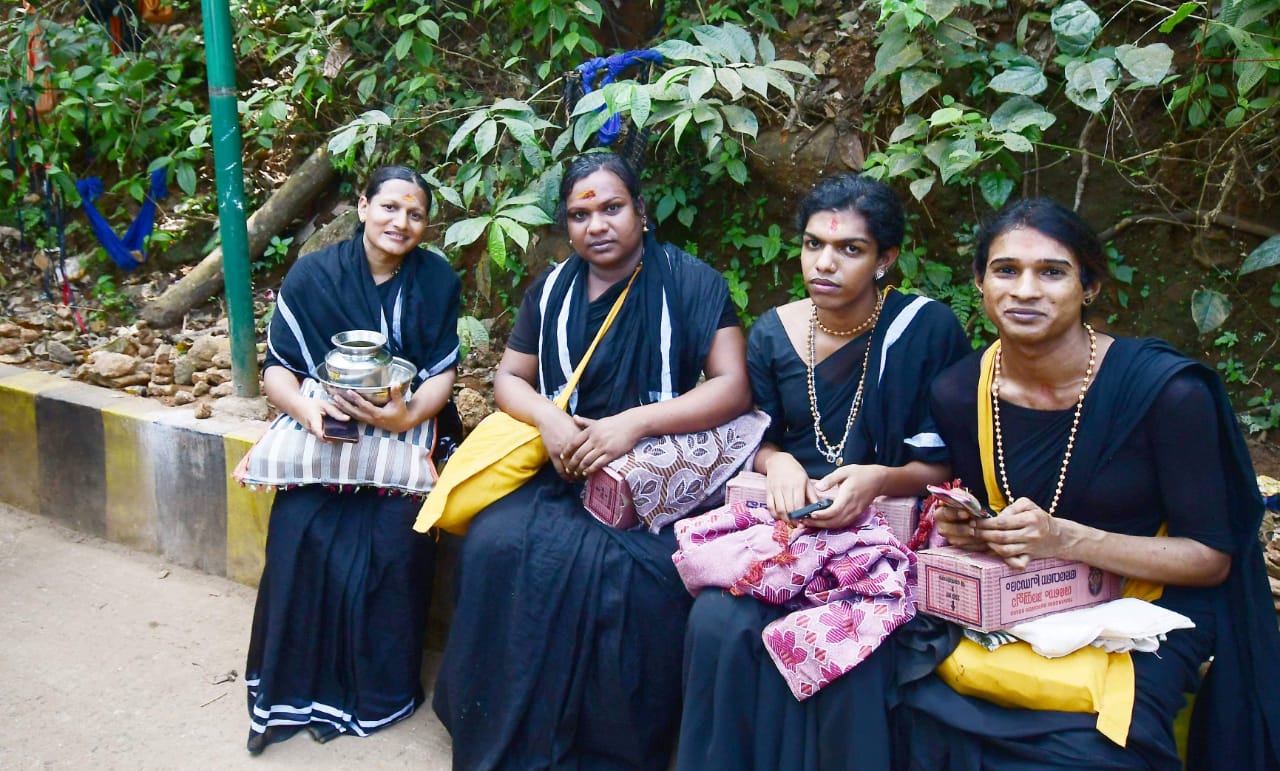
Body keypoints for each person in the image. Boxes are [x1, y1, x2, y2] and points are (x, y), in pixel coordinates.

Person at [896, 198, 1280, 768]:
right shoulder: (959, 391)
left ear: (1090, 286)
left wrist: (1065, 540)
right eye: (1006, 270)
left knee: (1088, 755)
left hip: (1147, 608)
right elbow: (1009, 514)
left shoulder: (1168, 394)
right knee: (901, 706)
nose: (1025, 290)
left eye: (1052, 271)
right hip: (1023, 599)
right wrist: (973, 525)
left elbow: (1211, 559)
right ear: (979, 282)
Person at [431, 152, 752, 770]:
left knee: (640, 578)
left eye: (611, 208)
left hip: (657, 475)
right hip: (565, 468)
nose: (596, 225)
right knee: (495, 545)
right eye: (580, 214)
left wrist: (634, 424)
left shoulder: (692, 283)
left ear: (642, 211)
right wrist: (550, 420)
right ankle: (504, 721)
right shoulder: (550, 289)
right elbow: (510, 378)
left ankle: (611, 747)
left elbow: (732, 385)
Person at [676, 173, 970, 771]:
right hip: (786, 527)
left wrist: (877, 479)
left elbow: (939, 464)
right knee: (717, 620)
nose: (825, 263)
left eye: (850, 250)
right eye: (814, 245)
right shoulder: (774, 331)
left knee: (846, 639)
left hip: (880, 538)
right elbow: (755, 438)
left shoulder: (924, 330)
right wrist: (778, 460)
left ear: (886, 259)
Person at [245, 166, 461, 754]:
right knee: (300, 528)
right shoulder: (315, 273)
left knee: (395, 540)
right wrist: (309, 414)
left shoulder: (435, 279)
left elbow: (443, 374)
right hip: (326, 430)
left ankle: (374, 694)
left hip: (406, 426)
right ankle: (294, 691)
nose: (401, 222)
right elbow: (277, 371)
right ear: (363, 207)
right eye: (389, 207)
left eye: (415, 214)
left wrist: (404, 418)